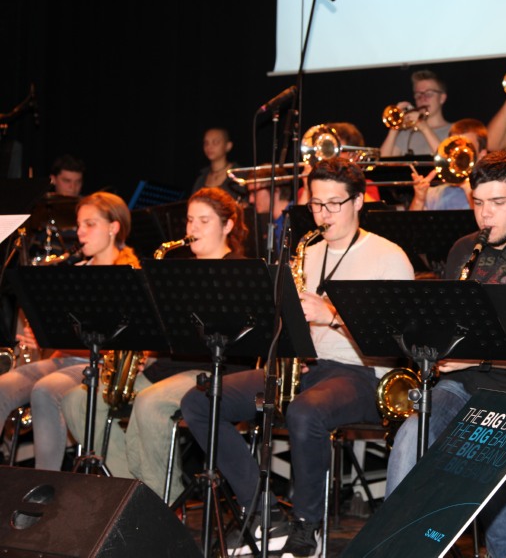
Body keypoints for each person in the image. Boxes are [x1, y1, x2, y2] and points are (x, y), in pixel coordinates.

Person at [180, 157, 414, 557]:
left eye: (334, 204)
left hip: (362, 373)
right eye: (316, 204)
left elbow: (396, 342)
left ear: (359, 201)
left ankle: (308, 527)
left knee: (305, 412)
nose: (323, 215)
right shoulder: (308, 253)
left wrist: (332, 316)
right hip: (306, 368)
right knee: (201, 401)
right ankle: (264, 512)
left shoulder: (388, 256)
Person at [386, 150, 506, 558]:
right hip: (461, 383)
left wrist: (476, 359)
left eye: (498, 203)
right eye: (478, 203)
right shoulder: (463, 249)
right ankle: (397, 546)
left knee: (486, 456)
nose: (485, 215)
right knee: (411, 435)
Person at [62, 187, 251, 498]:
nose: (192, 229)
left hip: (215, 370)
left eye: (203, 221)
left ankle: (165, 502)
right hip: (165, 367)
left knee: (150, 404)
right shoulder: (175, 271)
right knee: (77, 401)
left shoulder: (241, 271)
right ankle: (128, 492)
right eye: (190, 220)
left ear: (227, 225)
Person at [0, 192, 139, 470]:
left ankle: (44, 484)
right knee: (2, 387)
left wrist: (51, 337)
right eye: (79, 225)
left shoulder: (130, 273)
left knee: (45, 391)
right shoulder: (76, 271)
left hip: (101, 366)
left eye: (90, 224)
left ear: (113, 227)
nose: (80, 232)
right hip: (65, 359)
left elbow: (125, 344)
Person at [408, 118, 488, 211]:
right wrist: (419, 200)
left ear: (482, 155)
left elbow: (483, 219)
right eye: (456, 147)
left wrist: (469, 192)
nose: (460, 158)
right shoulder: (433, 193)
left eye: (468, 147)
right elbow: (411, 221)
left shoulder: (489, 193)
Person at [379, 70, 451, 157]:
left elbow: (446, 161)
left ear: (442, 98)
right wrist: (394, 128)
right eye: (418, 95)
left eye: (429, 94)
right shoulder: (406, 134)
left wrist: (425, 128)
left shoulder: (454, 130)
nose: (423, 99)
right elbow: (382, 162)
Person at [192, 127, 246, 203]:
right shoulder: (201, 179)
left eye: (215, 142)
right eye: (206, 143)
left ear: (228, 146)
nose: (209, 147)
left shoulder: (239, 175)